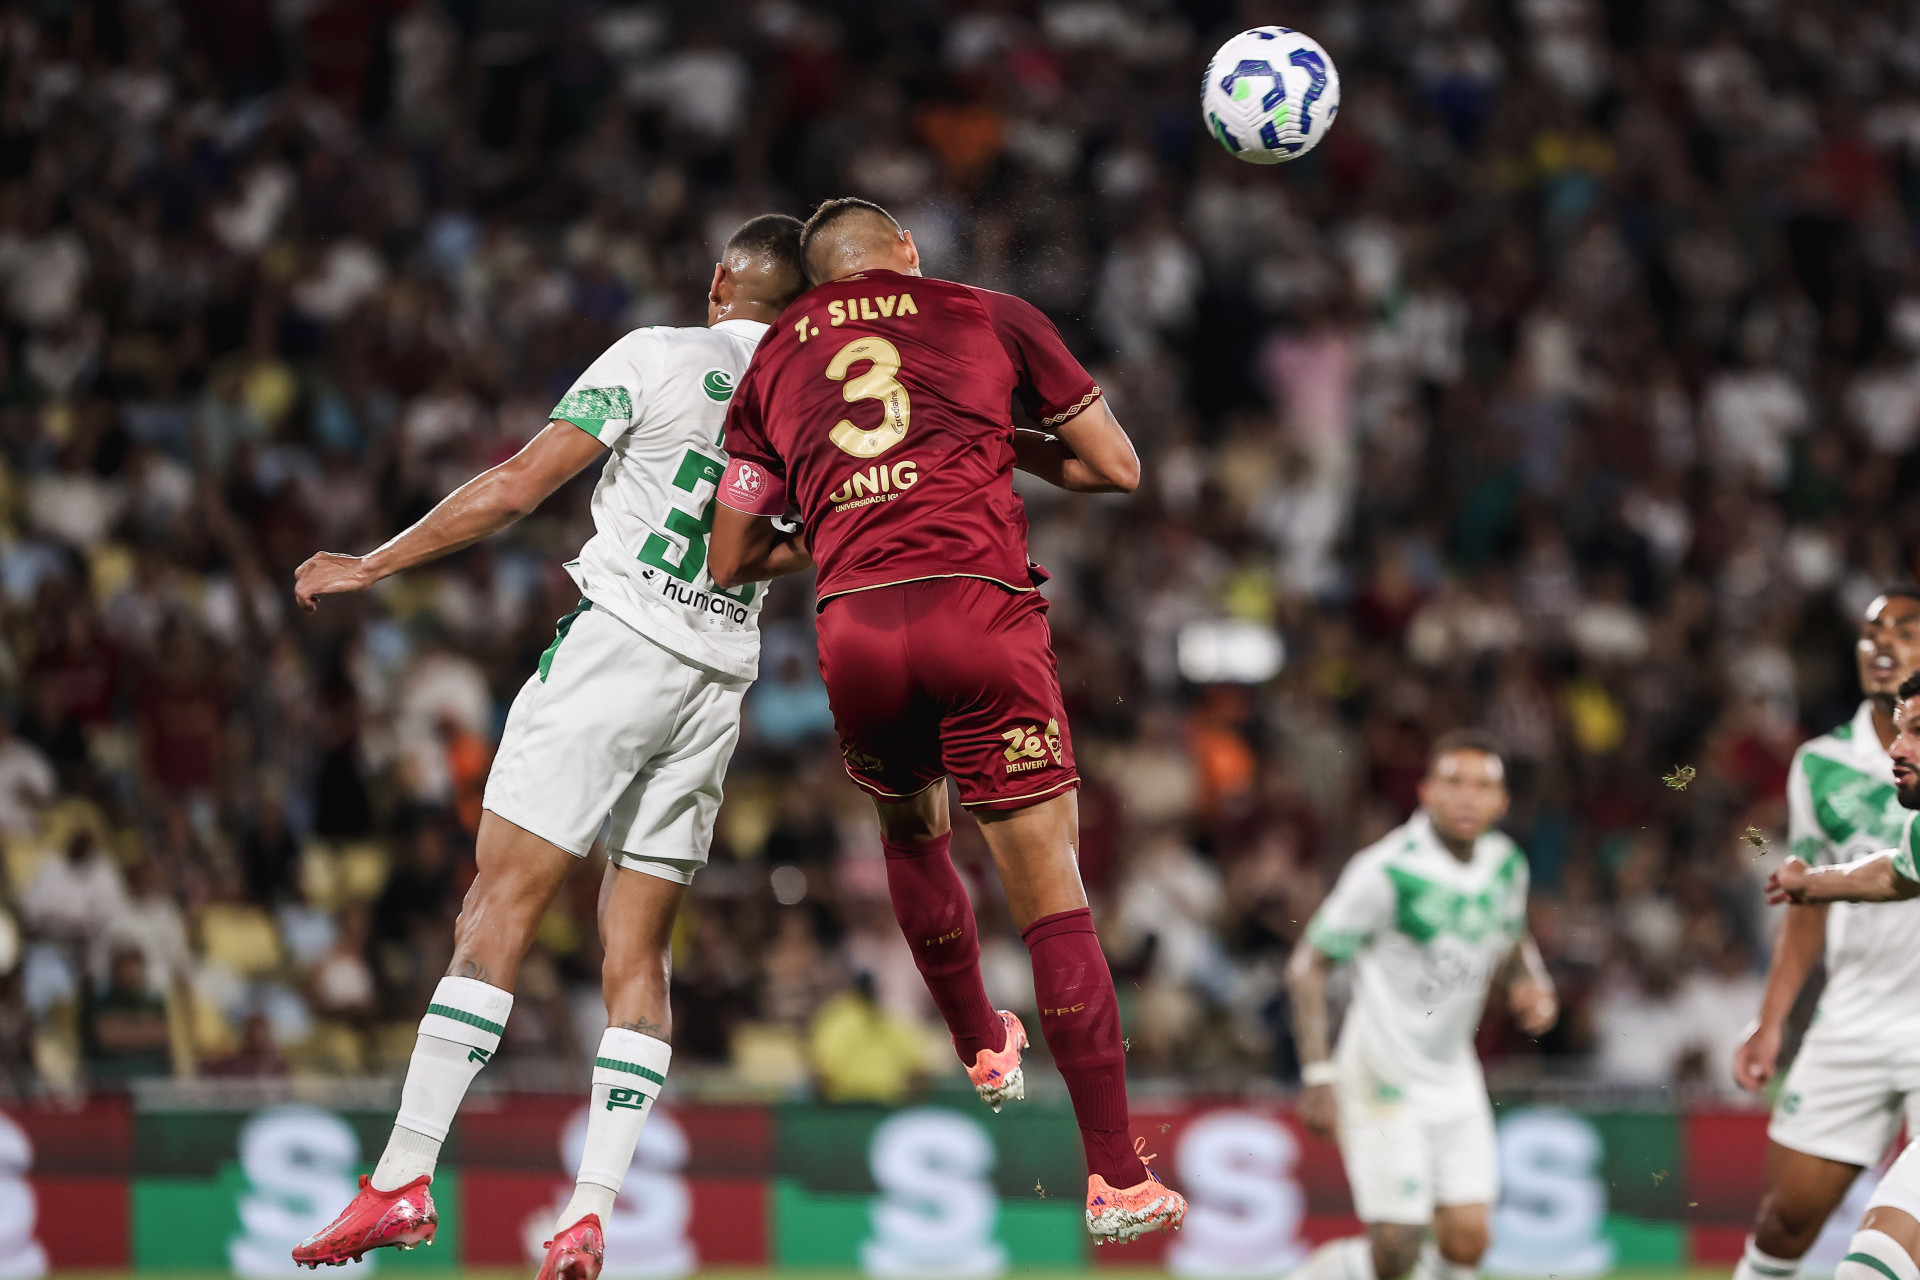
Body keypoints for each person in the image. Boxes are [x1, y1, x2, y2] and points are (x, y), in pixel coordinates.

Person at [286, 215, 809, 1280]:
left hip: (616, 651)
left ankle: (401, 1177)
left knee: (498, 909)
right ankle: (588, 1211)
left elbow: (520, 485)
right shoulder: (815, 409)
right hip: (716, 680)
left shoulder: (659, 356)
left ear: (720, 283)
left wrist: (376, 564)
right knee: (639, 951)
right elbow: (805, 543)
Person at [706, 197, 1183, 1244]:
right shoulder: (988, 311)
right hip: (979, 611)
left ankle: (978, 1040)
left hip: (858, 628)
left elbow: (729, 556)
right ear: (908, 254)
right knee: (1051, 891)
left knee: (910, 824)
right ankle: (1114, 1175)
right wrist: (985, 446)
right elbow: (1117, 466)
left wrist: (843, 521)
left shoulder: (775, 356)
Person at [1286, 731, 1558, 1280]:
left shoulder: (1506, 864)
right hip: (1382, 1076)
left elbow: (1510, 941)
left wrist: (1534, 986)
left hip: (1453, 1073)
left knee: (1468, 1240)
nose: (1467, 797)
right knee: (1397, 1251)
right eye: (1452, 782)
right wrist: (1318, 1074)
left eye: (1483, 786)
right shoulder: (1387, 869)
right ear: (1426, 792)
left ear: (1502, 803)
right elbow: (1306, 966)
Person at [1732, 589, 1920, 1280]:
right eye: (1871, 632)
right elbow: (1865, 884)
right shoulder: (1819, 764)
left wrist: (1819, 881)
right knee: (1783, 1224)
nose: (1883, 644)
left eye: (1906, 629)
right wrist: (1771, 1018)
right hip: (1856, 1013)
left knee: (1891, 1249)